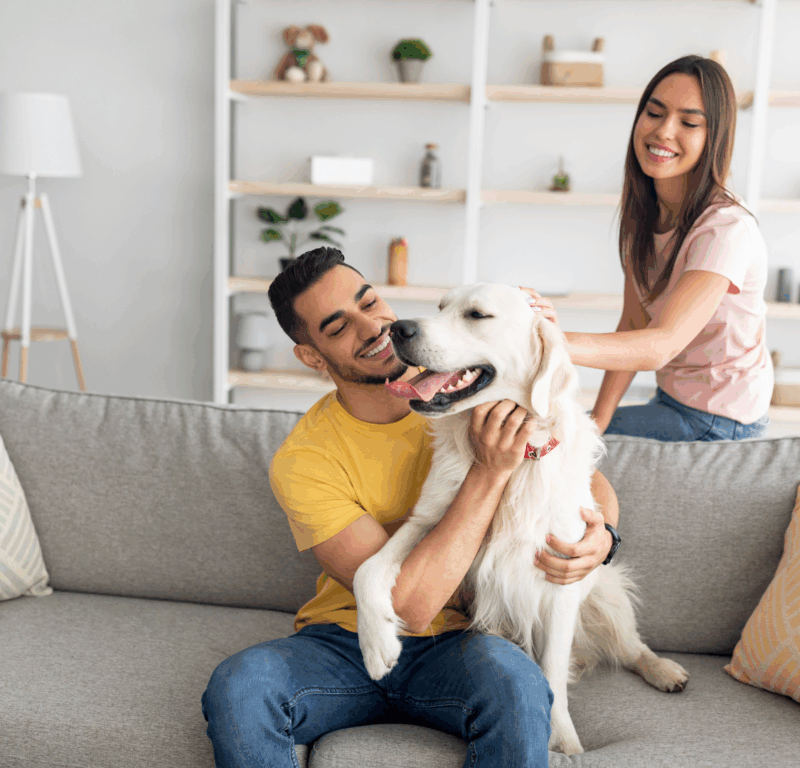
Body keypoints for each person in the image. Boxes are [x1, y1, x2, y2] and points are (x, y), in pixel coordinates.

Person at [200, 246, 622, 768]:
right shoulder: (305, 460)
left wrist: (601, 538)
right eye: (337, 327)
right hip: (346, 640)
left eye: (370, 302)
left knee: (518, 685)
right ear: (312, 355)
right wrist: (489, 473)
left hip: (461, 641)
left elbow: (584, 475)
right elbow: (408, 608)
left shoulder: (469, 389)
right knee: (240, 685)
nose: (373, 327)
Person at [523, 55, 773, 442]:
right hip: (673, 398)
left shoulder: (726, 228)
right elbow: (635, 324)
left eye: (689, 123)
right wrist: (599, 422)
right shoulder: (646, 214)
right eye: (654, 113)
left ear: (714, 138)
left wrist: (543, 339)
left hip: (722, 420)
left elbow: (661, 344)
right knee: (573, 435)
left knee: (549, 444)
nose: (664, 131)